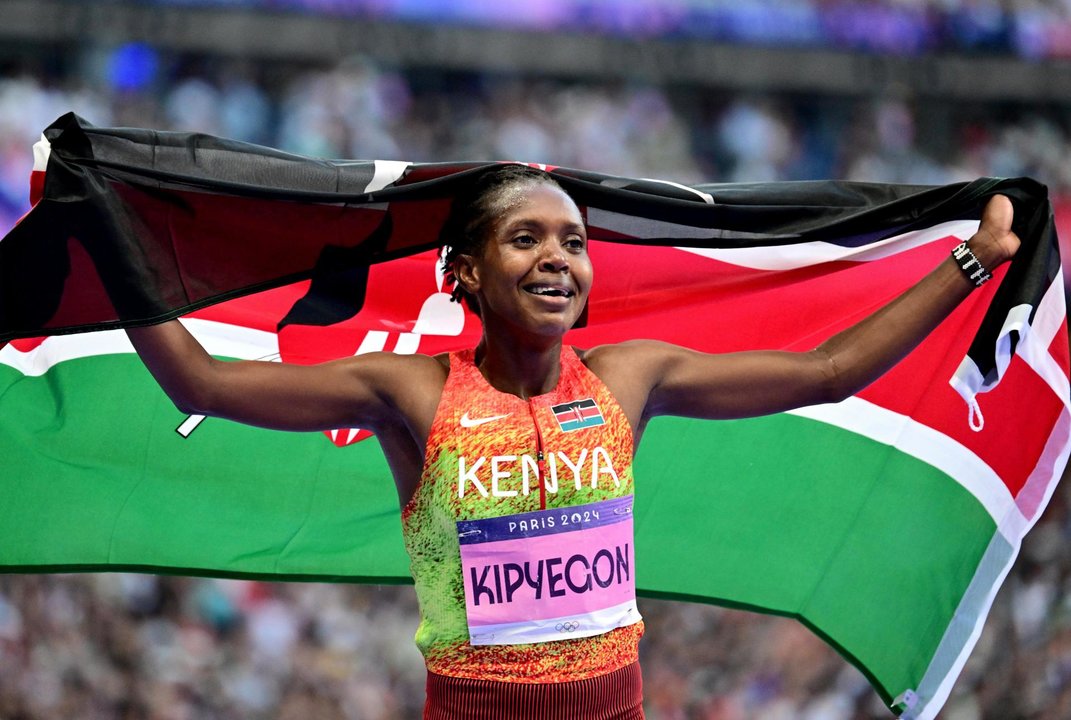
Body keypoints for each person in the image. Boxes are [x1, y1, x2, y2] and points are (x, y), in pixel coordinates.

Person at [125, 164, 1020, 719]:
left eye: (574, 242)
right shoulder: (411, 390)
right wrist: (108, 244)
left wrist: (970, 263)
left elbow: (827, 370)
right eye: (526, 239)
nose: (559, 257)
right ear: (467, 272)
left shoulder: (629, 378)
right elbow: (203, 383)